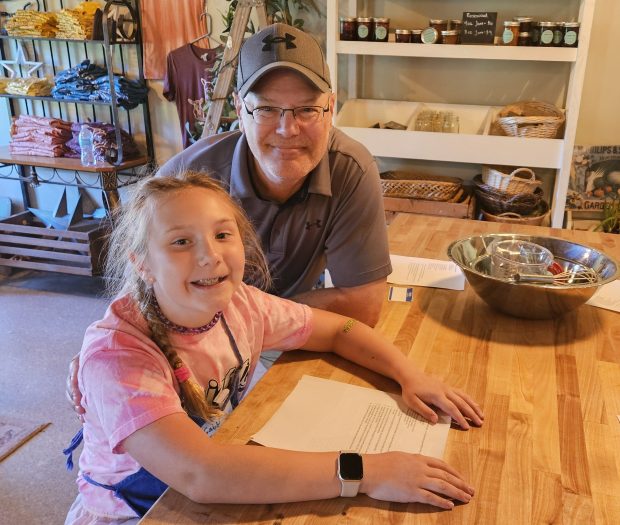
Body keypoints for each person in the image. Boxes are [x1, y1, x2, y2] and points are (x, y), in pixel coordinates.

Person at [63, 172, 483, 524]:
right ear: (141, 263)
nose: (210, 255)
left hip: (214, 472)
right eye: (180, 242)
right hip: (135, 512)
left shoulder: (242, 303)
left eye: (222, 234)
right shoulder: (117, 358)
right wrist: (367, 471)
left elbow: (339, 330)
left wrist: (410, 374)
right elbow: (201, 474)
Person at [66, 22, 391, 416]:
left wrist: (258, 318)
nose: (288, 129)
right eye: (267, 108)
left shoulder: (351, 169)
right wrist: (106, 345)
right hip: (188, 341)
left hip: (278, 329)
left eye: (307, 109)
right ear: (240, 109)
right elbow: (141, 276)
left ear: (330, 109)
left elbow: (364, 307)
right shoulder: (184, 177)